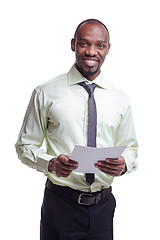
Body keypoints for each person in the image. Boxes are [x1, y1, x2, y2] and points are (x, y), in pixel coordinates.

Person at [15, 19, 138, 240]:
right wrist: (50, 163)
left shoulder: (120, 99)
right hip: (61, 206)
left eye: (99, 45)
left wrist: (124, 163)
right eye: (84, 43)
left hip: (103, 208)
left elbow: (131, 148)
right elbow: (25, 146)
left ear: (108, 49)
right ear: (73, 44)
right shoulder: (45, 93)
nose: (91, 51)